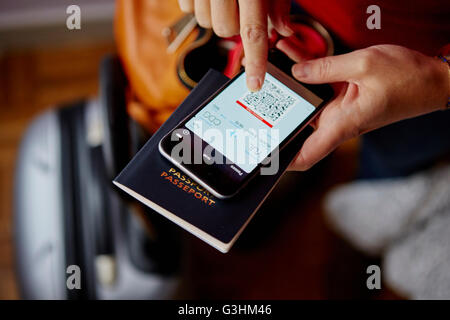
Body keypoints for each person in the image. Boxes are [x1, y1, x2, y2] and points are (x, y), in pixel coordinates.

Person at [177, 0, 450, 298]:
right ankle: (310, 195)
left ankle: (359, 237)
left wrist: (438, 80)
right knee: (281, 140)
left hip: (423, 59)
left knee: (393, 170)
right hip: (293, 19)